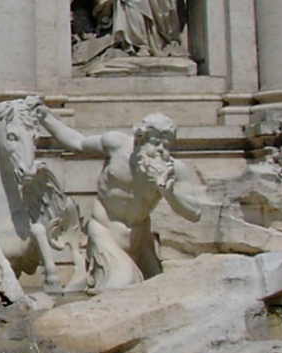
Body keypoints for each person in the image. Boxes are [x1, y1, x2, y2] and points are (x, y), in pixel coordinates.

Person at [36, 105, 204, 289]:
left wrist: (168, 191)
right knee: (122, 285)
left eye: (166, 145)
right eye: (155, 142)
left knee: (158, 288)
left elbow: (194, 212)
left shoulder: (174, 170)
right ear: (140, 139)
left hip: (140, 240)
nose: (161, 150)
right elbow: (77, 142)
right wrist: (46, 118)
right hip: (104, 231)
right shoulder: (116, 146)